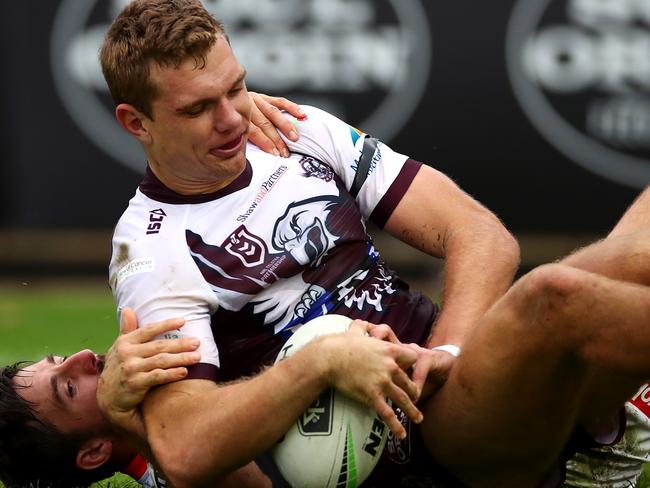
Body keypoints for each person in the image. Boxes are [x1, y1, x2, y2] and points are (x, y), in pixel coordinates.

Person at [2, 1, 649, 487]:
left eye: (235, 87)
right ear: (135, 122)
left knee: (636, 247)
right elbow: (187, 448)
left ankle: (601, 438)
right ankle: (603, 432)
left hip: (457, 370)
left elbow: (480, 234)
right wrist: (319, 363)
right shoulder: (152, 254)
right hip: (418, 443)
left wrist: (447, 351)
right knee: (554, 296)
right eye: (198, 108)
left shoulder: (292, 127)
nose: (232, 117)